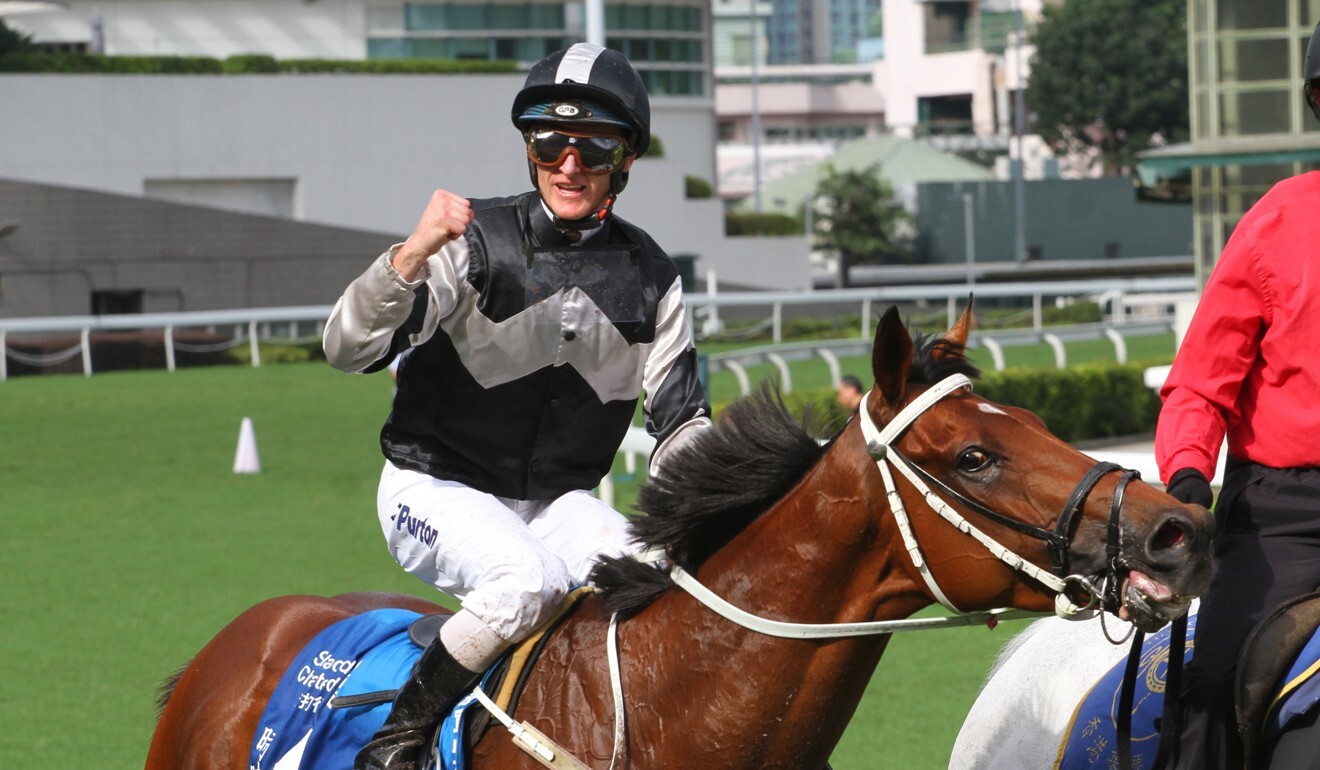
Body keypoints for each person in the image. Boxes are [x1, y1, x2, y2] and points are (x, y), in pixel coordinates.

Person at [322, 42, 711, 770]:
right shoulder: (468, 243)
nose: (569, 163)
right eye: (550, 142)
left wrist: (711, 521)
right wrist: (410, 254)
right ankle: (393, 746)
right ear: (530, 150)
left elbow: (681, 421)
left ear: (624, 162)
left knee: (661, 585)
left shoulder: (655, 278)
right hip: (434, 485)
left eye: (593, 147)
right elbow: (349, 350)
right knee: (525, 583)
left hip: (555, 504)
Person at [1158, 21, 1320, 769]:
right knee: (1215, 680)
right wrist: (1189, 475)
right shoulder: (1276, 221)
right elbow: (1200, 381)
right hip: (1285, 518)